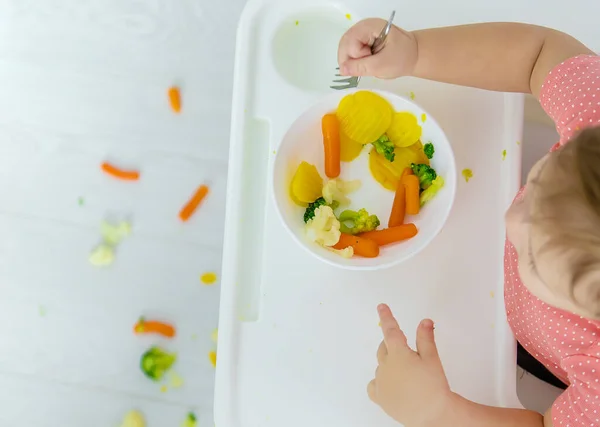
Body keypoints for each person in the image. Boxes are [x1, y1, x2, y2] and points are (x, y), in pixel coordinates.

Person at [337, 21, 600, 427]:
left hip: (546, 363)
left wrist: (437, 412)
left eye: (534, 257)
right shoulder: (594, 118)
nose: (512, 219)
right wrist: (416, 52)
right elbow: (538, 55)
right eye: (540, 178)